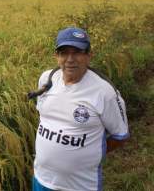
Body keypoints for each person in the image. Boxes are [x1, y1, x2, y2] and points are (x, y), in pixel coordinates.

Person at [32, 27, 129, 191]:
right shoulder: (47, 78)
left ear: (89, 55)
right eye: (64, 53)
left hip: (80, 185)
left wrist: (90, 155)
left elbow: (120, 136)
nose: (70, 59)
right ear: (56, 56)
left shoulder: (105, 92)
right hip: (42, 180)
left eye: (77, 52)